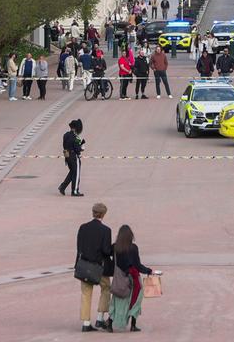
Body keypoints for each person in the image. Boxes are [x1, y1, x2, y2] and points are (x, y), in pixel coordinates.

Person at [110, 225, 161, 332]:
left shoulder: (114, 247)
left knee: (116, 301)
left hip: (119, 279)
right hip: (133, 279)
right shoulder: (133, 248)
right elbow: (137, 265)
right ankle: (133, 325)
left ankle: (109, 323)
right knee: (136, 301)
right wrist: (149, 271)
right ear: (130, 235)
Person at [77, 202, 114, 332]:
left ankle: (86, 323)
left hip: (85, 265)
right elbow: (106, 250)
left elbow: (79, 247)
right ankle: (100, 318)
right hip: (99, 267)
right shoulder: (106, 230)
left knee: (86, 293)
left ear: (93, 213)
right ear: (103, 214)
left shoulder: (83, 227)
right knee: (106, 288)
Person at [60, 119, 85, 197]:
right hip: (74, 157)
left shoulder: (65, 135)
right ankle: (75, 191)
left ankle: (62, 187)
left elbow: (65, 145)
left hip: (67, 155)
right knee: (76, 173)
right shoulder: (76, 137)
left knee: (72, 173)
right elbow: (78, 149)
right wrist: (82, 147)